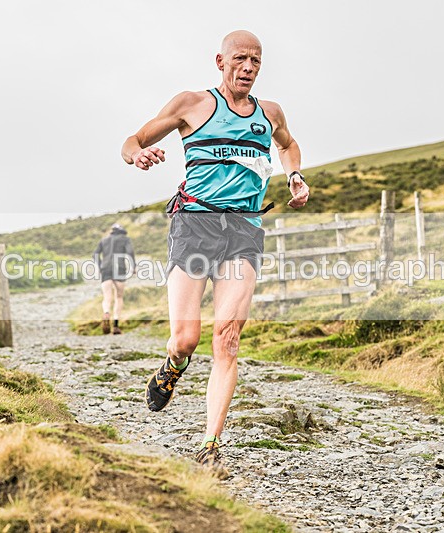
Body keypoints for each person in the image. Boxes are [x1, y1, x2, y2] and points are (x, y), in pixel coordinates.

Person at [121, 30, 309, 477]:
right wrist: (138, 156)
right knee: (187, 338)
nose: (248, 67)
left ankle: (210, 443)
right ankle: (174, 364)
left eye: (256, 61)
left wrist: (295, 175)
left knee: (227, 338)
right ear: (220, 61)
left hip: (244, 228)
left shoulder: (270, 113)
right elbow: (133, 140)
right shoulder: (192, 104)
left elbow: (287, 144)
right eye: (240, 59)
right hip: (194, 226)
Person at [93, 223, 135, 335]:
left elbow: (95, 254)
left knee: (107, 296)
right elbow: (130, 252)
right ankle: (116, 325)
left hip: (105, 268)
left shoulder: (104, 240)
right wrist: (133, 266)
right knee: (119, 296)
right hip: (119, 269)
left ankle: (106, 313)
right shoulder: (125, 239)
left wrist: (100, 265)